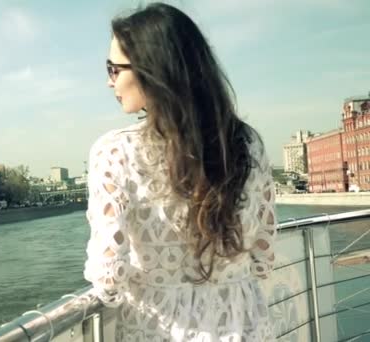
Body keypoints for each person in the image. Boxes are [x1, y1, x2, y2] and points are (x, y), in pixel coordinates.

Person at [83, 3, 276, 341]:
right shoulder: (246, 142)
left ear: (151, 71)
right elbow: (262, 258)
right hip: (244, 324)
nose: (108, 81)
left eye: (114, 69)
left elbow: (108, 279)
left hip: (161, 329)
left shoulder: (115, 152)